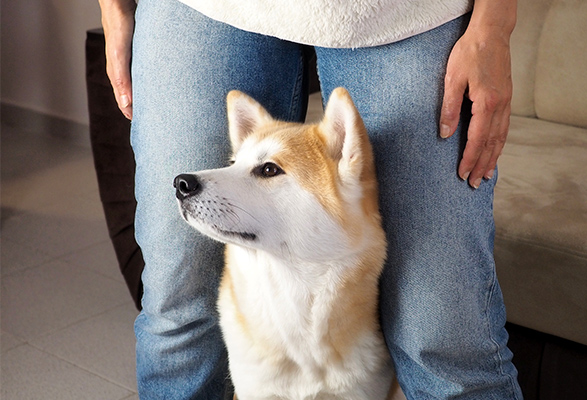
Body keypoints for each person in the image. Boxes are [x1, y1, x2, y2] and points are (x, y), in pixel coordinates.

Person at [98, 0, 523, 398]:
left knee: (443, 335)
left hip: (405, 12)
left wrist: (494, 23)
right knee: (179, 314)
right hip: (202, 8)